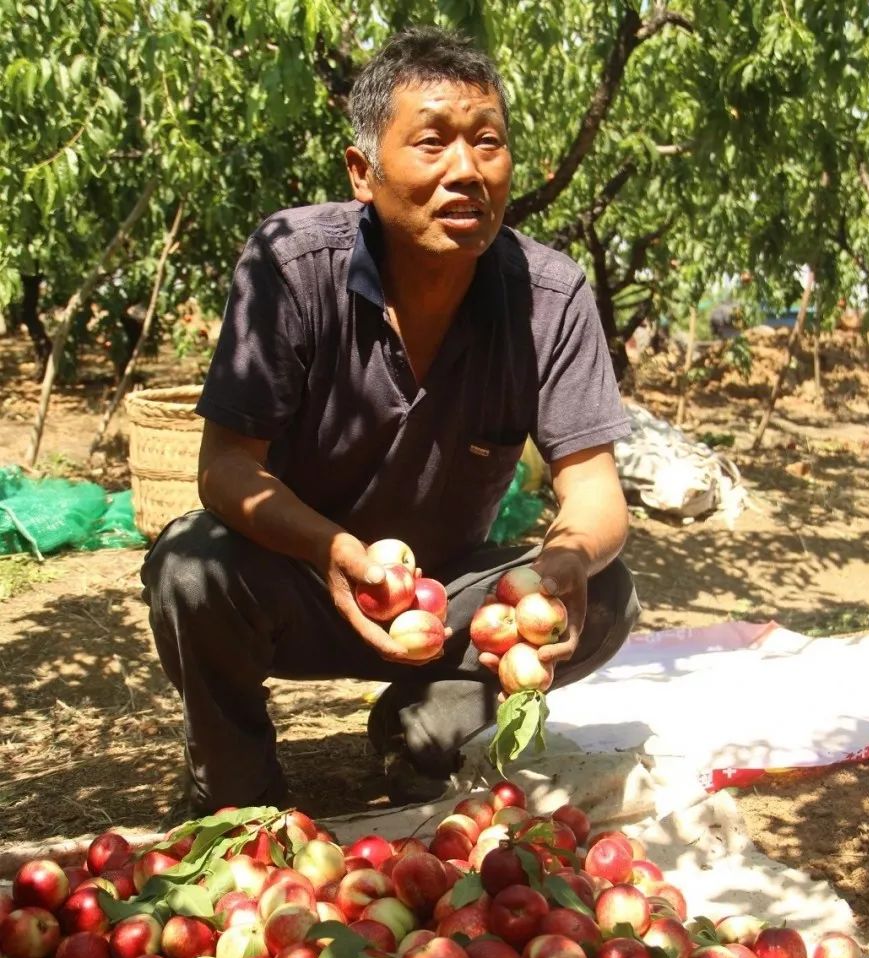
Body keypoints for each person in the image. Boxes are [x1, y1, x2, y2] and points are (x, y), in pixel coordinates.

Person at [141, 27, 640, 814]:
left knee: (607, 593)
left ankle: (421, 729)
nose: (467, 171)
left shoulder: (549, 294)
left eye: (488, 143)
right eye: (433, 142)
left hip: (449, 603)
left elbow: (595, 492)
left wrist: (569, 560)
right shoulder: (290, 265)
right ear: (362, 172)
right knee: (189, 566)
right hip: (299, 579)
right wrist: (332, 550)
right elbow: (226, 468)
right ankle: (237, 789)